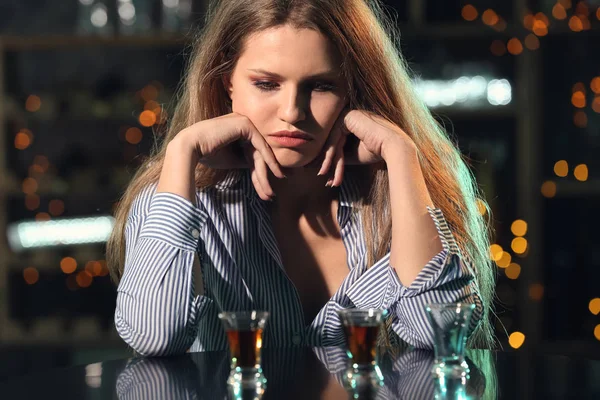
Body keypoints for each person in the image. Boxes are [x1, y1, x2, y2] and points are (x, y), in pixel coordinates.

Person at [106, 0, 496, 356]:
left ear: (351, 89)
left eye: (321, 86)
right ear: (227, 79)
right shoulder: (179, 194)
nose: (292, 111)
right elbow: (153, 336)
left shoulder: (405, 188)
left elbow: (442, 330)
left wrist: (401, 155)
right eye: (266, 84)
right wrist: (181, 153)